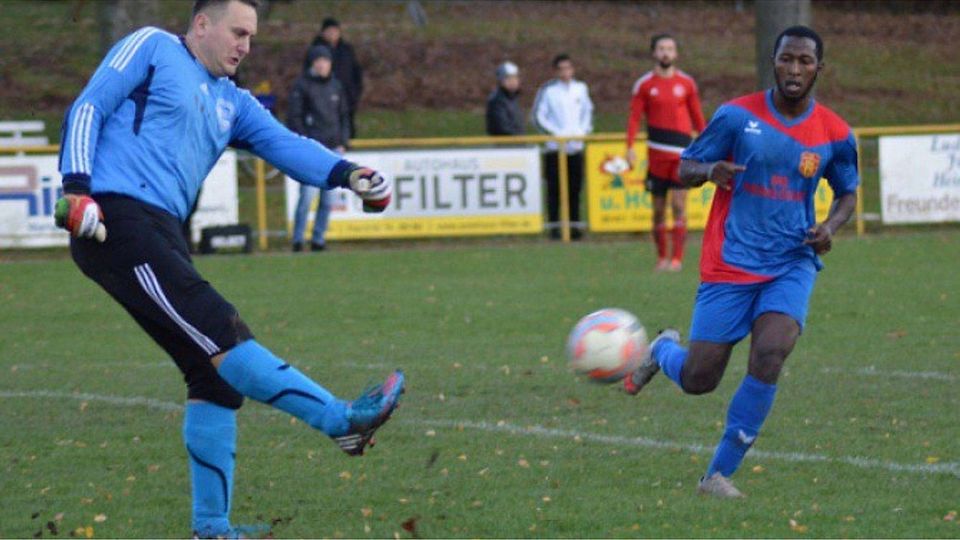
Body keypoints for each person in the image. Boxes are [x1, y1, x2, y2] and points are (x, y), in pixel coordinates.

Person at [53, 0, 404, 536]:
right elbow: (87, 108)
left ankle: (212, 527)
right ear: (202, 24)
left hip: (164, 231)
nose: (245, 46)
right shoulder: (153, 46)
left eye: (251, 37)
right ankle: (339, 420)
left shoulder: (232, 101)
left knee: (212, 377)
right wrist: (77, 188)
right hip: (115, 219)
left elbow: (285, 144)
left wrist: (348, 173)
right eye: (238, 32)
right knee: (219, 327)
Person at [623, 26, 858, 498]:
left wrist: (830, 227)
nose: (794, 69)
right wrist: (709, 171)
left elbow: (847, 192)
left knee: (772, 351)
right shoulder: (735, 116)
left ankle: (716, 474)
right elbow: (685, 166)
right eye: (786, 59)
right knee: (699, 378)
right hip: (730, 262)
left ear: (819, 68)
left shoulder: (835, 132)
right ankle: (663, 350)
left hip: (792, 260)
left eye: (805, 61)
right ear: (774, 62)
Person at [626, 33, 706, 271]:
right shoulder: (644, 84)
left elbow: (697, 117)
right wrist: (629, 147)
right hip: (656, 156)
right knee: (658, 211)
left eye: (670, 48)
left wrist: (707, 144)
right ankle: (662, 258)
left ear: (676, 53)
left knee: (679, 206)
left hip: (681, 154)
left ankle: (677, 259)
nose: (665, 53)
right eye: (661, 48)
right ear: (654, 53)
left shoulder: (686, 83)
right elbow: (634, 118)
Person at [289, 44, 351, 252]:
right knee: (307, 198)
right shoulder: (302, 86)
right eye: (319, 61)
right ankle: (298, 239)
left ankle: (318, 239)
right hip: (312, 151)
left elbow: (344, 115)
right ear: (313, 64)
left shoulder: (336, 86)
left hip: (334, 150)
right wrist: (305, 141)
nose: (323, 65)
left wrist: (343, 141)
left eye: (326, 61)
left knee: (327, 200)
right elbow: (294, 117)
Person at [532, 53, 594, 240]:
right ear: (555, 71)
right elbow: (538, 117)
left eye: (568, 68)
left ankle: (574, 227)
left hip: (575, 148)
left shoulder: (581, 88)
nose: (565, 72)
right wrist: (556, 134)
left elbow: (587, 112)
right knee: (555, 190)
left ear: (572, 70)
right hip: (555, 149)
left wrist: (582, 132)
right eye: (561, 69)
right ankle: (555, 227)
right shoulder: (548, 91)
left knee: (574, 189)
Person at [307, 17, 363, 138]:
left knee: (346, 127)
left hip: (347, 97)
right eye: (329, 31)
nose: (332, 34)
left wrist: (354, 93)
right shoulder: (315, 50)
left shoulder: (347, 49)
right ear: (323, 32)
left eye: (335, 31)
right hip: (322, 99)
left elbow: (357, 73)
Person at [486, 61, 524, 136]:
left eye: (515, 78)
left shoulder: (512, 98)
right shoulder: (496, 100)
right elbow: (502, 127)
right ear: (500, 80)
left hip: (516, 141)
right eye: (508, 78)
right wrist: (518, 138)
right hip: (505, 142)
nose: (512, 81)